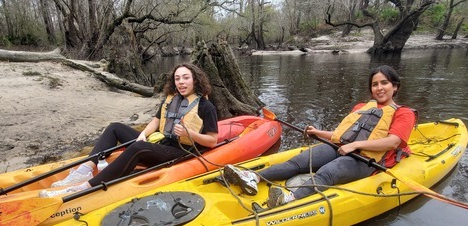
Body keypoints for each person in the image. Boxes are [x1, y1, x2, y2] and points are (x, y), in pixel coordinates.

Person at [223, 65, 416, 208]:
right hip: (341, 148)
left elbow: (394, 141)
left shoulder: (403, 113)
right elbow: (341, 135)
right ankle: (253, 178)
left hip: (366, 160)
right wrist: (317, 132)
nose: (379, 88)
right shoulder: (361, 108)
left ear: (395, 87)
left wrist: (353, 145)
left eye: (384, 83)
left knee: (329, 171)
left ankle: (289, 199)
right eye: (375, 84)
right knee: (298, 162)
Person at [40, 63, 219, 198]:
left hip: (180, 151)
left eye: (186, 78)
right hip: (161, 142)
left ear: (195, 79)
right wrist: (142, 134)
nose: (181, 82)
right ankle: (85, 169)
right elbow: (157, 121)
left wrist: (190, 134)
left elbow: (213, 141)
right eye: (177, 78)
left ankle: (86, 187)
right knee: (115, 128)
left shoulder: (206, 106)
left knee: (137, 148)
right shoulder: (172, 99)